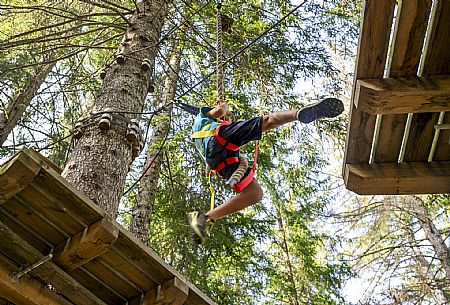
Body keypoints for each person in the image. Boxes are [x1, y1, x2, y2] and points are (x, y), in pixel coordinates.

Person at [189, 97, 344, 243]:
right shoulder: (203, 118)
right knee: (269, 121)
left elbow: (210, 161)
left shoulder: (200, 137)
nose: (229, 119)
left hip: (220, 160)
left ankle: (206, 219)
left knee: (255, 193)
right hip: (220, 140)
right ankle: (298, 114)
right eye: (229, 118)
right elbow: (219, 111)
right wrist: (223, 107)